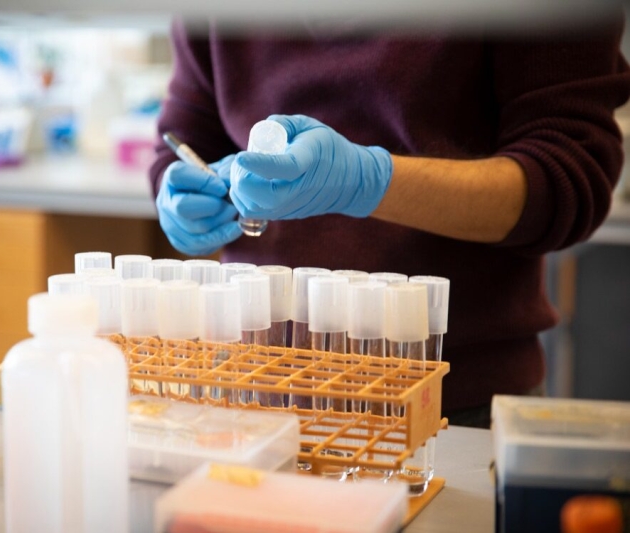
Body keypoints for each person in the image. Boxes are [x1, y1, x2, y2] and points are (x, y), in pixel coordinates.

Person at [148, 14, 630, 428]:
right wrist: (179, 192)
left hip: (451, 403)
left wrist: (371, 181)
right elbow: (184, 136)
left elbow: (566, 177)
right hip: (253, 389)